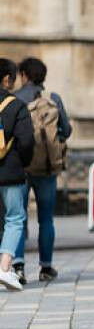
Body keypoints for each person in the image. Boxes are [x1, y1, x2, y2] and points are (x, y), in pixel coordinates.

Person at [12, 57, 72, 284]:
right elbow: (66, 130)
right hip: (47, 168)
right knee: (46, 220)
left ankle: (18, 266)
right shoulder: (52, 99)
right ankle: (46, 267)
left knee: (17, 218)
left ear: (23, 75)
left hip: (20, 168)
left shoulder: (14, 99)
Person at [0, 59, 34, 291]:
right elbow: (26, 141)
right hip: (10, 171)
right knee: (14, 218)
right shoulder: (17, 106)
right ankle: (4, 268)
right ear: (7, 79)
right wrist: (23, 163)